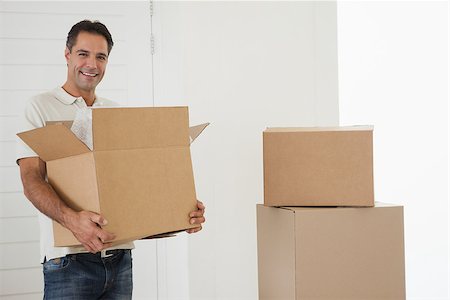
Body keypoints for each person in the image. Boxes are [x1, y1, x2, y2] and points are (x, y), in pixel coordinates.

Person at [17, 20, 206, 299]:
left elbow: (134, 188)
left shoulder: (114, 112)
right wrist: (73, 221)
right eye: (83, 53)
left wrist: (178, 214)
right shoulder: (40, 106)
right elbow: (31, 179)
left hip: (120, 259)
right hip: (69, 262)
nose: (91, 64)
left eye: (101, 56)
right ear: (67, 55)